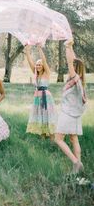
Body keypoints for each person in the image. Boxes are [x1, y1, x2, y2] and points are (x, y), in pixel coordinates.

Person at [55, 40, 87, 174]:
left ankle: (76, 162)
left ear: (75, 68)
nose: (70, 68)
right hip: (75, 114)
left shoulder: (75, 79)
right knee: (74, 138)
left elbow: (70, 62)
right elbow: (72, 60)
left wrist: (67, 47)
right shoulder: (79, 80)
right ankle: (77, 168)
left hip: (68, 113)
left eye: (72, 66)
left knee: (58, 139)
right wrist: (71, 47)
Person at [25, 44, 56, 139]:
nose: (38, 66)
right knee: (40, 115)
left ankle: (52, 137)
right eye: (37, 64)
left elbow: (44, 60)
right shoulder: (36, 74)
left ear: (43, 66)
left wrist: (39, 49)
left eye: (39, 64)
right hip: (37, 97)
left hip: (45, 97)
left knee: (47, 115)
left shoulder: (46, 73)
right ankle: (42, 136)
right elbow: (30, 62)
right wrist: (27, 51)